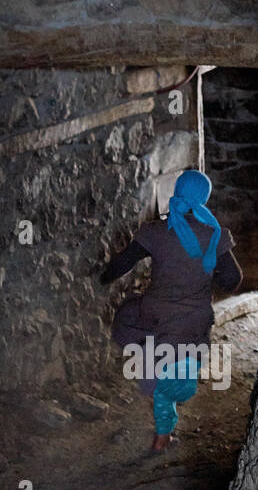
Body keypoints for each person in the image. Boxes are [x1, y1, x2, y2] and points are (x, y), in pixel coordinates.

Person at [101, 168, 242, 452]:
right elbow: (233, 280)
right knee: (180, 373)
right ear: (204, 197)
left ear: (176, 192)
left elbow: (122, 263)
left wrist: (99, 278)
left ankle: (162, 428)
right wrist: (206, 271)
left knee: (152, 352)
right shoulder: (214, 235)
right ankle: (163, 431)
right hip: (193, 320)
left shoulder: (155, 231)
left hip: (154, 316)